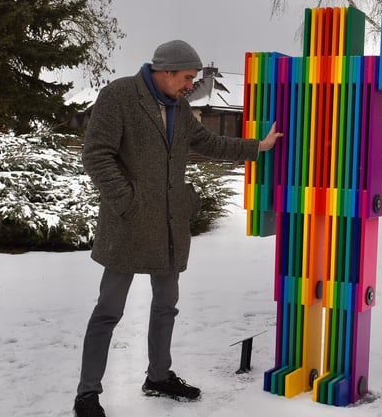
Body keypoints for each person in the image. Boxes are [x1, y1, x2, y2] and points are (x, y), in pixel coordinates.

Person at [73, 40, 282, 417]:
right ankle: (87, 393)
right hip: (127, 226)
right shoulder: (119, 95)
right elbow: (96, 154)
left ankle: (158, 376)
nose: (190, 85)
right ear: (166, 71)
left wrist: (258, 147)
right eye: (187, 78)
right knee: (108, 311)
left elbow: (210, 143)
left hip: (169, 227)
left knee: (166, 306)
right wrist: (127, 201)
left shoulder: (180, 109)